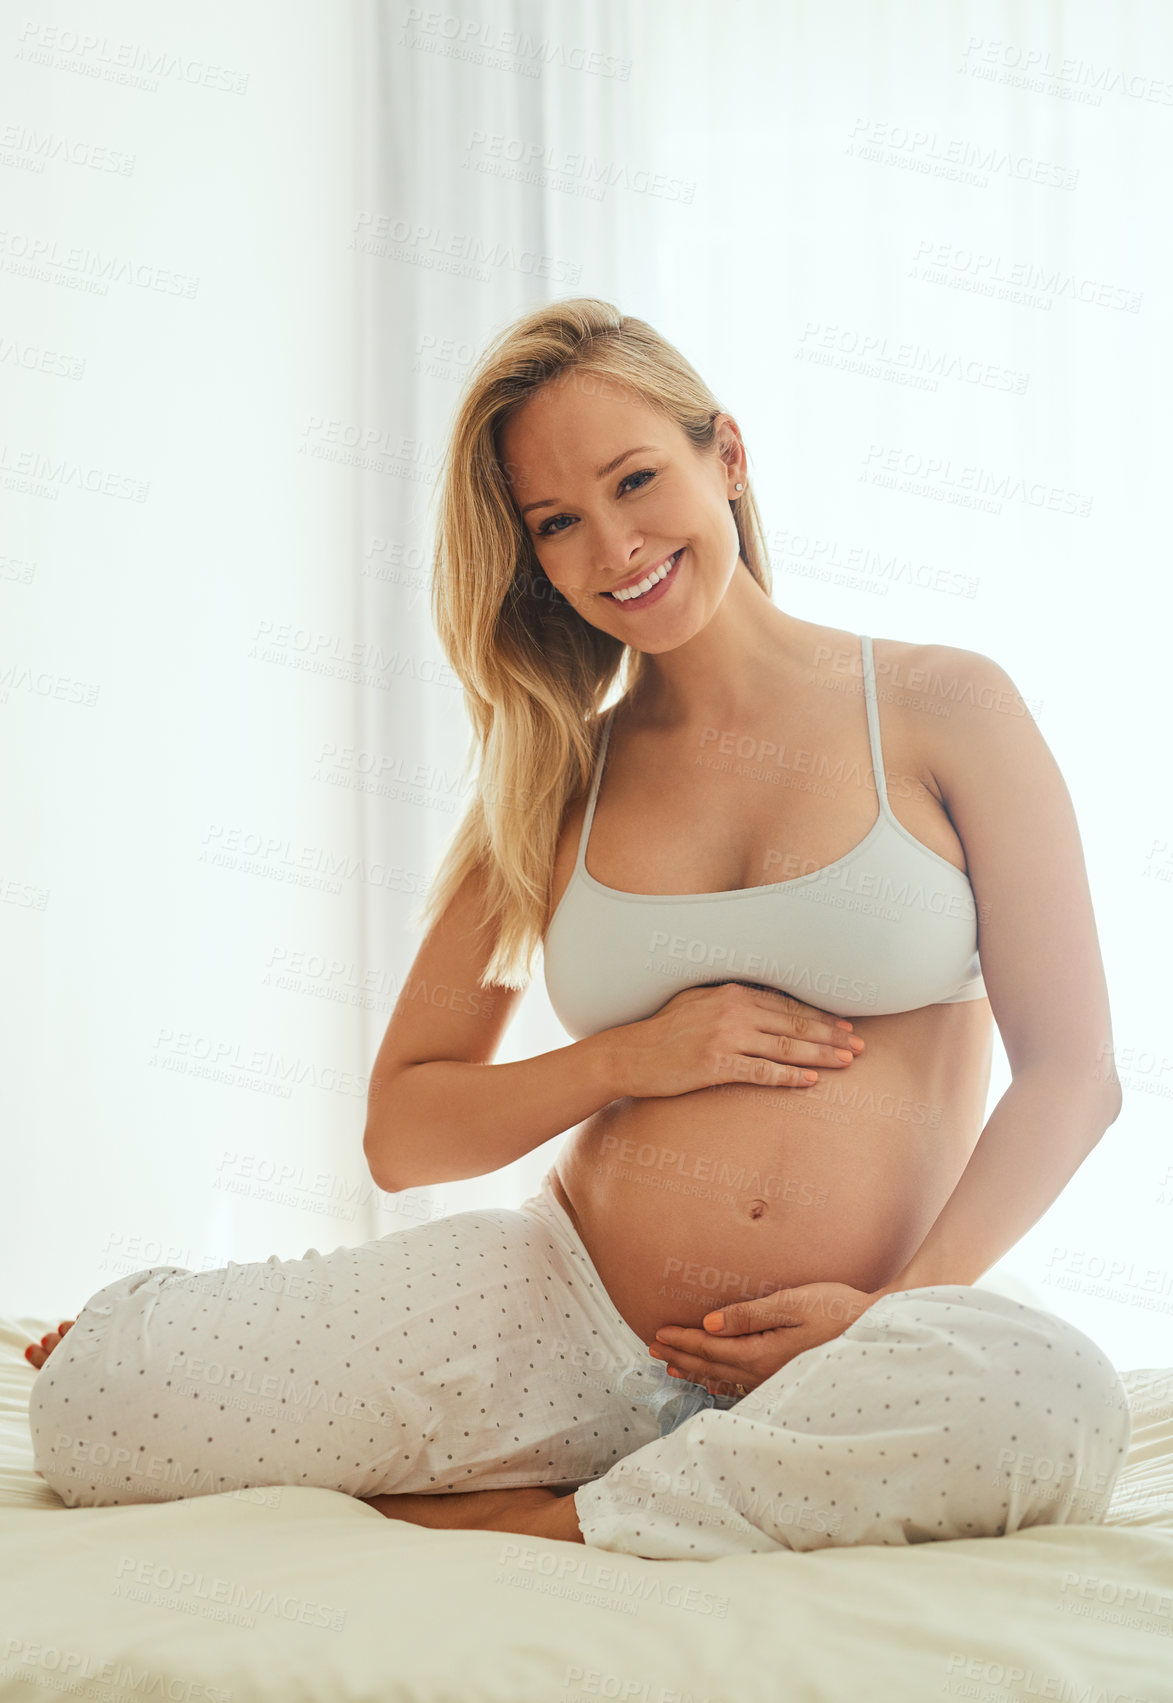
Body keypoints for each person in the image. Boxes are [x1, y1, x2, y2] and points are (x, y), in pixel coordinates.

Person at [26, 299, 1131, 1558]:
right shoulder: (552, 777)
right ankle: (674, 1491)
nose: (613, 547)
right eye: (557, 523)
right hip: (561, 1307)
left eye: (635, 479)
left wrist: (889, 1318)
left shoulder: (945, 704)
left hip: (855, 1345)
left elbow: (1074, 1077)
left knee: (1053, 1401)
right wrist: (629, 1057)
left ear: (727, 454)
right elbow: (405, 1129)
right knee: (91, 1408)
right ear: (533, 558)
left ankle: (563, 1519)